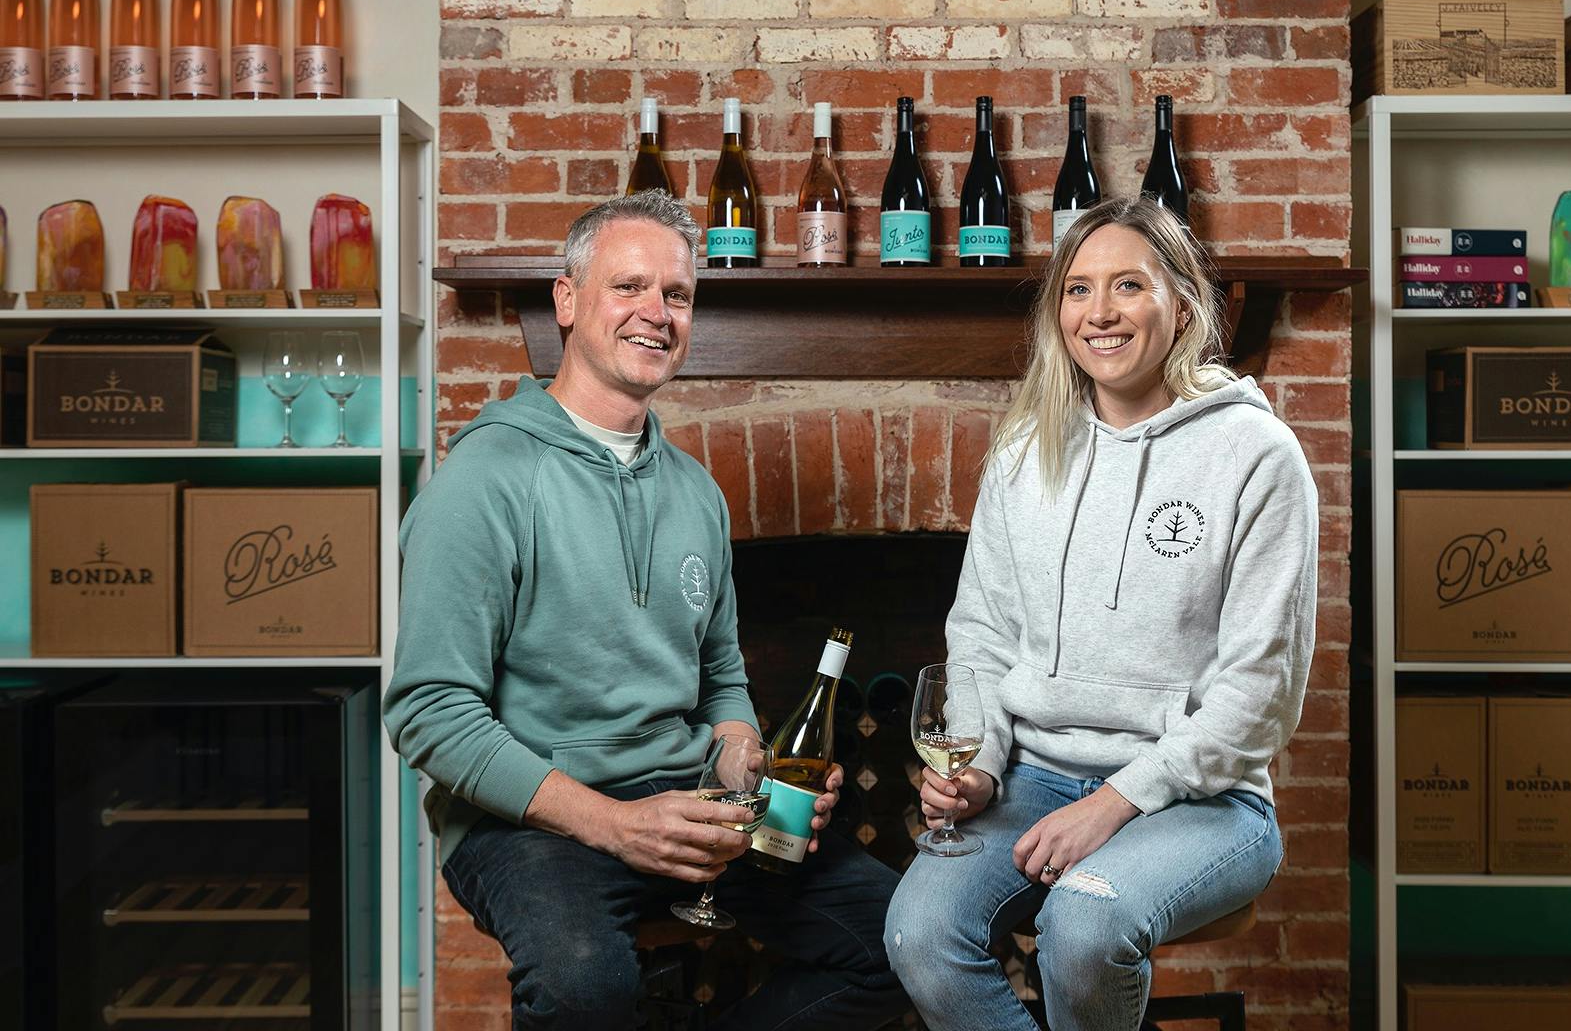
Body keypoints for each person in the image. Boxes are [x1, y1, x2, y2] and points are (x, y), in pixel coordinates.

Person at [384, 191, 906, 1031]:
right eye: (629, 287)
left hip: (686, 798)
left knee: (910, 940)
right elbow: (429, 714)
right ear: (567, 300)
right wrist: (613, 825)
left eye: (677, 295)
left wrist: (747, 768)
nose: (655, 314)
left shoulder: (695, 492)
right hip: (533, 819)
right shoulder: (484, 481)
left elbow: (722, 678)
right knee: (585, 989)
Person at [884, 196, 1318, 1031]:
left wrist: (1117, 800)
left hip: (1203, 797)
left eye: (1128, 285)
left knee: (1083, 928)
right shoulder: (1025, 451)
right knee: (920, 932)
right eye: (1078, 290)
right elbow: (979, 636)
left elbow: (1258, 692)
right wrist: (981, 764)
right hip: (1031, 775)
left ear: (1183, 303)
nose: (1101, 313)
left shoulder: (1256, 456)